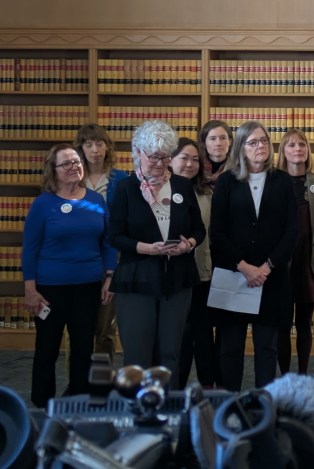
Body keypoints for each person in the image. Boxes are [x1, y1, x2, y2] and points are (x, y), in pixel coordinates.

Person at [108, 120, 205, 390]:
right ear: (138, 153)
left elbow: (199, 229)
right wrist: (146, 248)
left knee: (170, 352)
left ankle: (168, 406)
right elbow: (114, 235)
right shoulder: (125, 188)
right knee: (138, 354)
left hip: (177, 279)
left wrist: (189, 244)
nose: (160, 164)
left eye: (165, 157)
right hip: (137, 279)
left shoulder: (182, 186)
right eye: (153, 157)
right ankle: (138, 406)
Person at [22, 144, 116, 408]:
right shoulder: (43, 204)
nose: (74, 166)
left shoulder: (96, 201)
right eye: (66, 163)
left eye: (76, 161)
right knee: (47, 349)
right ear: (53, 170)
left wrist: (110, 275)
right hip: (49, 289)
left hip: (88, 286)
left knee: (83, 348)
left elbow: (108, 242)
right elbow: (30, 249)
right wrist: (30, 290)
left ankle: (78, 401)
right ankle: (43, 405)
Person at [209, 121, 298, 391]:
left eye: (264, 141)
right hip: (234, 274)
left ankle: (263, 404)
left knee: (267, 348)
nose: (260, 146)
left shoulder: (283, 181)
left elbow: (291, 231)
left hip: (271, 278)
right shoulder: (226, 181)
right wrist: (244, 266)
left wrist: (266, 267)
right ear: (241, 148)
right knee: (230, 348)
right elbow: (217, 232)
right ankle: (230, 403)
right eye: (253, 142)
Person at [168, 137, 221, 389]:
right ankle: (176, 389)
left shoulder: (207, 194)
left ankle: (207, 386)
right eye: (184, 158)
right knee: (180, 335)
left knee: (203, 334)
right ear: (170, 160)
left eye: (195, 160)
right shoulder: (161, 192)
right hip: (173, 276)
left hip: (203, 274)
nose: (189, 164)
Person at [74, 123, 129, 360]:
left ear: (107, 147)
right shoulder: (73, 177)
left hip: (113, 257)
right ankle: (78, 379)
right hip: (79, 257)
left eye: (99, 143)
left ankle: (102, 379)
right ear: (81, 149)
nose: (95, 150)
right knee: (77, 330)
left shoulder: (121, 179)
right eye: (88, 145)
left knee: (105, 329)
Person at [276, 128, 314, 375]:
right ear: (283, 152)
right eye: (292, 145)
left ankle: (303, 374)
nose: (298, 149)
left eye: (302, 145)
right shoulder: (274, 182)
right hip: (282, 262)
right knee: (282, 325)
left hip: (308, 261)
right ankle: (285, 377)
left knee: (305, 323)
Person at [200, 120, 232, 190]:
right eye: (213, 139)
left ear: (230, 141)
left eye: (223, 138)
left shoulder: (238, 168)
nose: (218, 143)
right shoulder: (197, 167)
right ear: (204, 143)